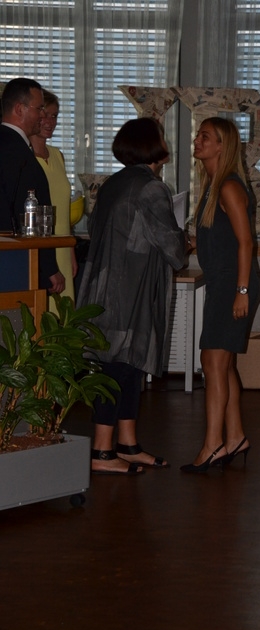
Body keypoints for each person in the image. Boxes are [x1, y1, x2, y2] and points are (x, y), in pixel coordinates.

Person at [77, 117, 188, 474]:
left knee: (128, 365)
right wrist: (187, 240)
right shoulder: (151, 188)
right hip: (130, 288)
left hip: (106, 285)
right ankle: (102, 451)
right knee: (118, 366)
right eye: (161, 136)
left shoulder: (114, 182)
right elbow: (173, 249)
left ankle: (127, 444)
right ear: (150, 145)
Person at [180, 117, 260, 473]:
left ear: (221, 147)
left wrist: (241, 291)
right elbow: (224, 238)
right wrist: (194, 242)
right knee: (221, 365)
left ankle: (213, 445)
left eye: (205, 137)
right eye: (198, 135)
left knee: (212, 362)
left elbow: (246, 242)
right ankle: (236, 437)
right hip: (224, 281)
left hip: (233, 284)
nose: (197, 141)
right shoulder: (214, 186)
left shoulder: (228, 186)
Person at [0, 77, 65, 294]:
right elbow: (27, 213)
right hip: (15, 263)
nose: (42, 115)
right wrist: (49, 267)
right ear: (20, 109)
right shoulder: (18, 153)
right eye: (39, 109)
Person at [30, 89, 77, 305]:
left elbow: (64, 210)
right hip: (39, 250)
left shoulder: (58, 155)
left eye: (55, 116)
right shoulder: (23, 157)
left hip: (63, 248)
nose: (50, 122)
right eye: (45, 115)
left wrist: (70, 251)